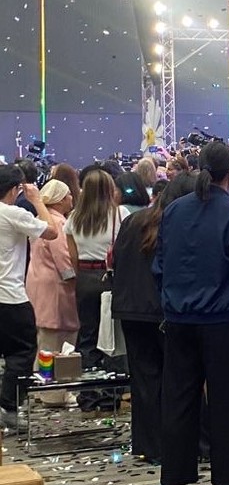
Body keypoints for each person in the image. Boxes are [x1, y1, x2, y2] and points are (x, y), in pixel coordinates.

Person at [155, 142, 229, 485]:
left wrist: (170, 301)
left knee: (179, 399)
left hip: (179, 318)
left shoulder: (174, 211)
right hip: (224, 321)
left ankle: (174, 482)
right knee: (227, 401)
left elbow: (160, 265)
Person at [111, 173, 196, 462]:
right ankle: (179, 443)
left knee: (144, 380)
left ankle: (149, 445)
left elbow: (117, 260)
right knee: (176, 379)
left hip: (130, 307)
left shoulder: (133, 221)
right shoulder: (177, 224)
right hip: (163, 310)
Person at [0, 165, 59, 432]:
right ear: (15, 189)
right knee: (22, 353)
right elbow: (51, 231)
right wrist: (37, 200)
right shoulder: (13, 213)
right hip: (10, 296)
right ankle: (9, 408)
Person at [66, 168, 127, 414]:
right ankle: (110, 397)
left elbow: (72, 256)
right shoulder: (119, 214)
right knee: (112, 338)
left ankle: (88, 397)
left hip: (84, 278)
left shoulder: (74, 218)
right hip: (110, 279)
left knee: (87, 337)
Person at [25, 180, 76, 408]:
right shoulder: (57, 223)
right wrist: (74, 278)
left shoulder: (40, 220)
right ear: (61, 199)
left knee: (43, 342)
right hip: (55, 286)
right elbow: (63, 257)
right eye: (69, 195)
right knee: (57, 342)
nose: (72, 198)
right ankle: (54, 393)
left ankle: (40, 387)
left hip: (36, 282)